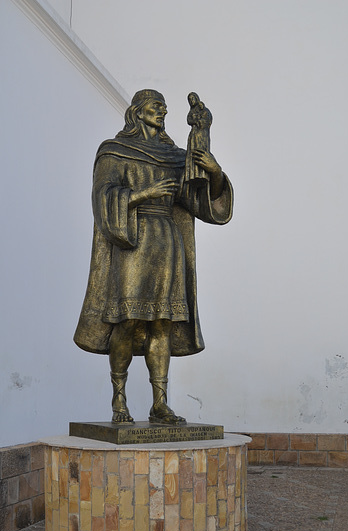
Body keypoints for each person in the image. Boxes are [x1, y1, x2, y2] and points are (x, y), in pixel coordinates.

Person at [74, 89, 233, 425]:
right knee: (128, 321)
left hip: (167, 242)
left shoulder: (175, 156)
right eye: (156, 106)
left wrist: (214, 170)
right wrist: (143, 193)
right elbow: (102, 195)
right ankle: (119, 402)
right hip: (133, 243)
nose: (162, 111)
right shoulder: (114, 152)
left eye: (164, 107)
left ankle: (159, 404)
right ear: (138, 111)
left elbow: (198, 201)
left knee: (162, 324)